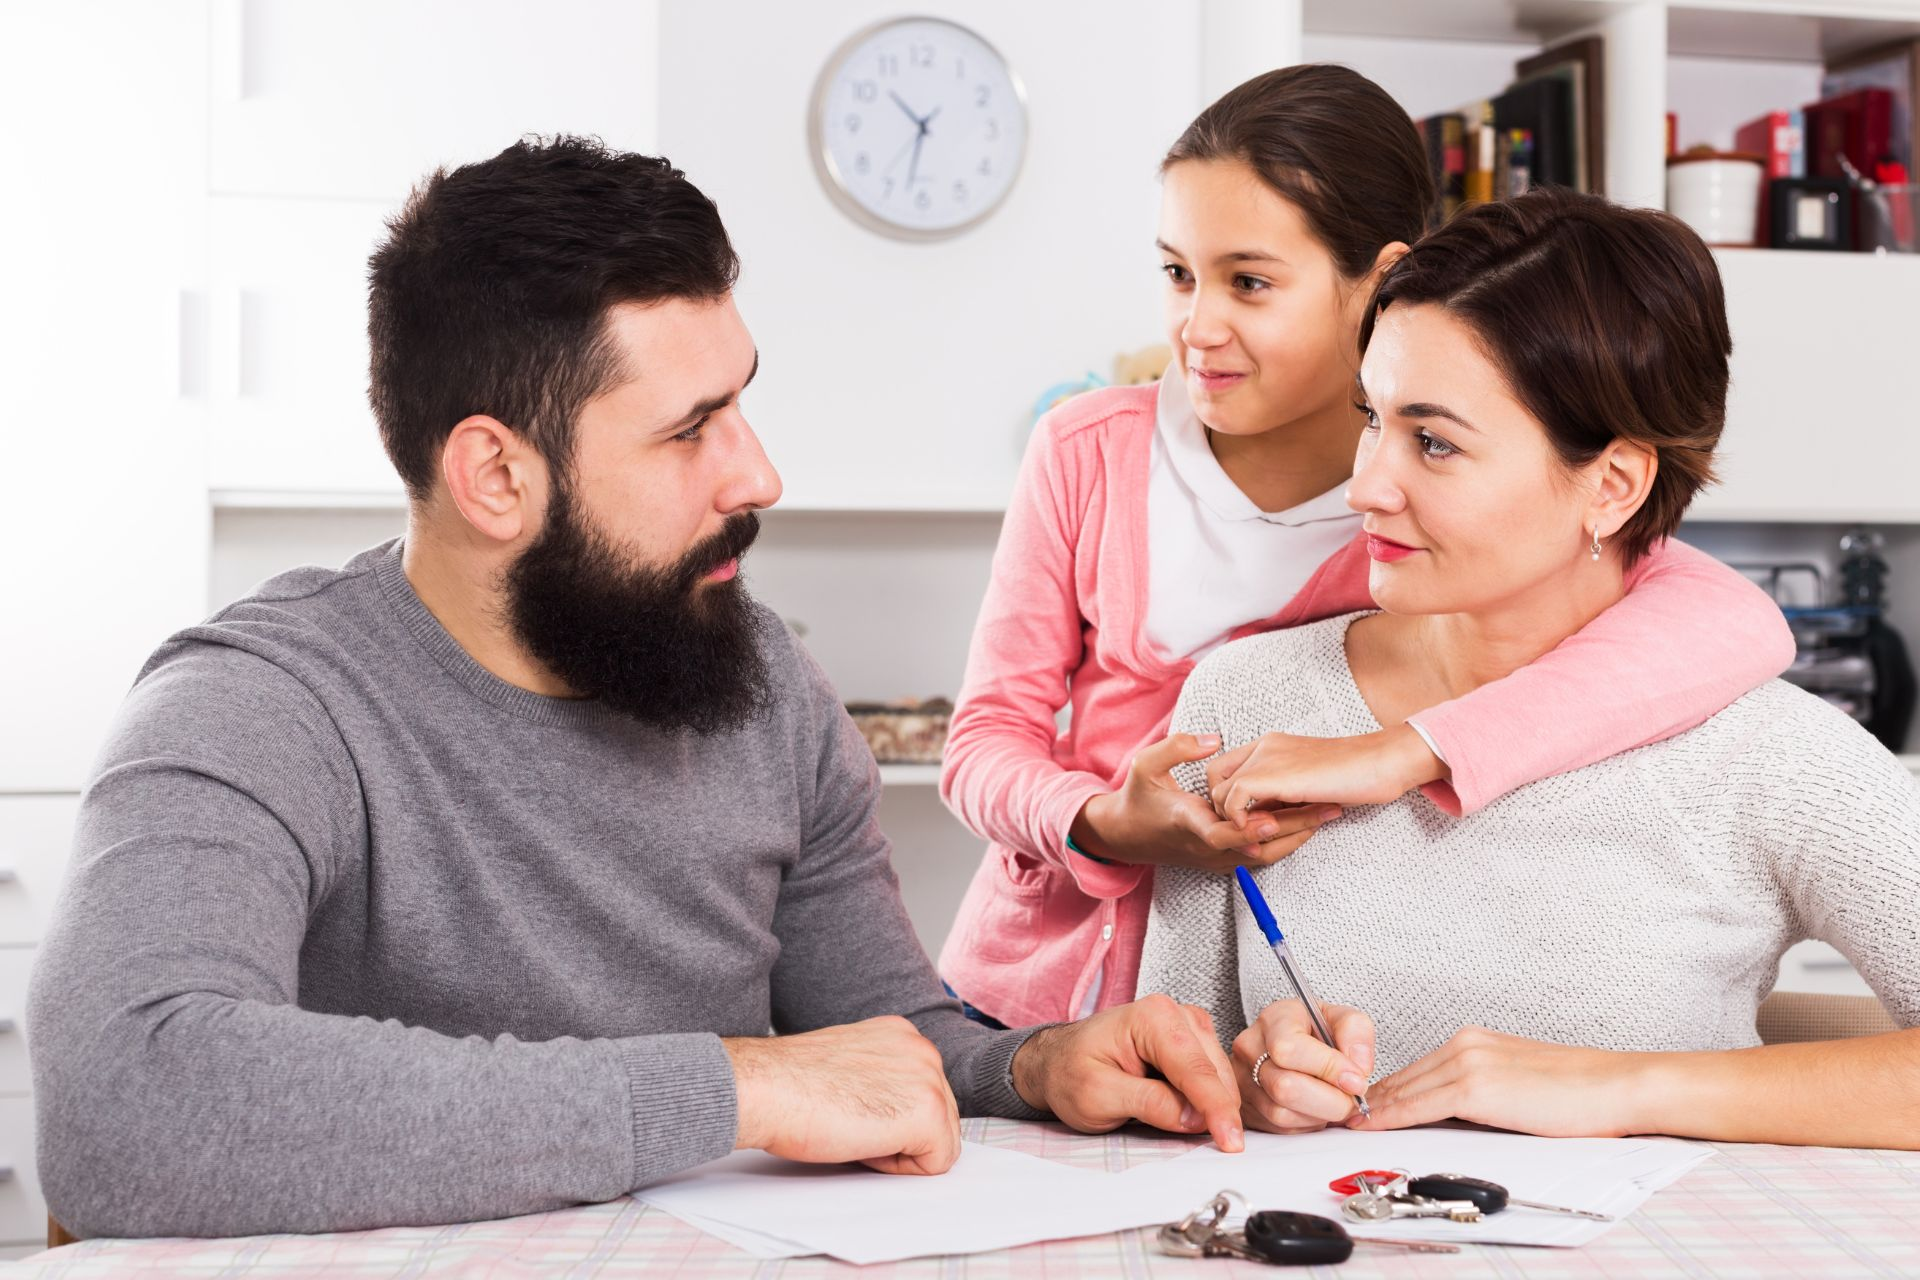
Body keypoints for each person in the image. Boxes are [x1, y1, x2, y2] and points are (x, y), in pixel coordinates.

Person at [26, 137, 1244, 1241]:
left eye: (744, 400)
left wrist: (1036, 1066)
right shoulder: (259, 705)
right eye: (688, 429)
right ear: (495, 475)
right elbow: (124, 1098)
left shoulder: (766, 684)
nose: (758, 472)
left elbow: (881, 1039)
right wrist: (735, 1084)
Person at [935, 64, 1796, 1031]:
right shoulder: (1089, 449)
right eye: (1178, 274)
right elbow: (981, 742)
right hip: (1023, 994)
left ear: (1381, 280)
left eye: (1249, 282)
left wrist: (1401, 754)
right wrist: (1099, 821)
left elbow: (1730, 622)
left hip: (1256, 1011)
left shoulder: (1432, 506)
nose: (1196, 327)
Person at [1140, 187, 1920, 1150]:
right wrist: (1250, 1082)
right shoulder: (1246, 702)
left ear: (1612, 485)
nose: (1366, 484)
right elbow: (1171, 1067)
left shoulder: (1766, 757)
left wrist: (1627, 1091)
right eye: (1371, 418)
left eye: (1434, 442)